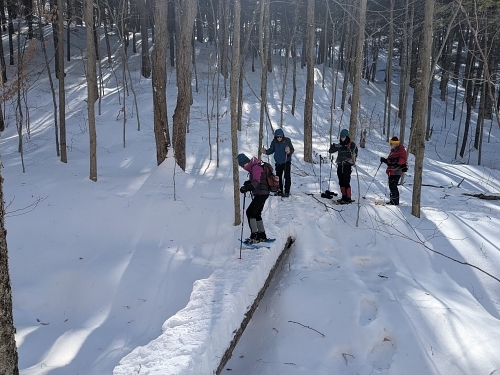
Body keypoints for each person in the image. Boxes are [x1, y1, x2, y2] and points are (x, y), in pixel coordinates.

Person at [237, 153, 270, 244]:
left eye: (244, 165)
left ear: (247, 162)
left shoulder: (255, 167)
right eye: (242, 166)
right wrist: (248, 183)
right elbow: (257, 179)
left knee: (250, 212)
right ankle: (262, 235)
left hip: (261, 193)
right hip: (262, 193)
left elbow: (256, 181)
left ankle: (254, 236)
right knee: (256, 213)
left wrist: (248, 187)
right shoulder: (254, 167)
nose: (243, 167)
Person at [261, 128, 294, 197]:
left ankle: (287, 191)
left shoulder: (287, 140)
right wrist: (265, 151)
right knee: (278, 177)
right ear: (275, 137)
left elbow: (292, 149)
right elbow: (271, 150)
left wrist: (289, 151)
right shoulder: (274, 142)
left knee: (287, 177)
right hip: (278, 162)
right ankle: (280, 191)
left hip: (286, 161)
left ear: (283, 136)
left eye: (280, 136)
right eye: (277, 137)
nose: (279, 138)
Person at [328, 128, 358, 204]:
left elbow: (355, 150)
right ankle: (343, 197)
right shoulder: (340, 145)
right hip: (340, 165)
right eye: (341, 137)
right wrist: (333, 147)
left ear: (347, 137)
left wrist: (350, 152)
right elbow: (330, 151)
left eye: (343, 137)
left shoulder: (351, 144)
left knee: (346, 181)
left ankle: (348, 198)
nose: (342, 139)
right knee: (341, 181)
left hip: (347, 165)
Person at [380, 136, 407, 205]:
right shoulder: (393, 151)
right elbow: (390, 161)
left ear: (396, 144)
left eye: (393, 144)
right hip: (391, 171)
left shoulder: (401, 149)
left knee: (393, 186)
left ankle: (395, 202)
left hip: (397, 170)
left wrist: (396, 160)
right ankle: (392, 201)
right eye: (391, 144)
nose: (391, 145)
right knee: (391, 186)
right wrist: (385, 160)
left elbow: (403, 160)